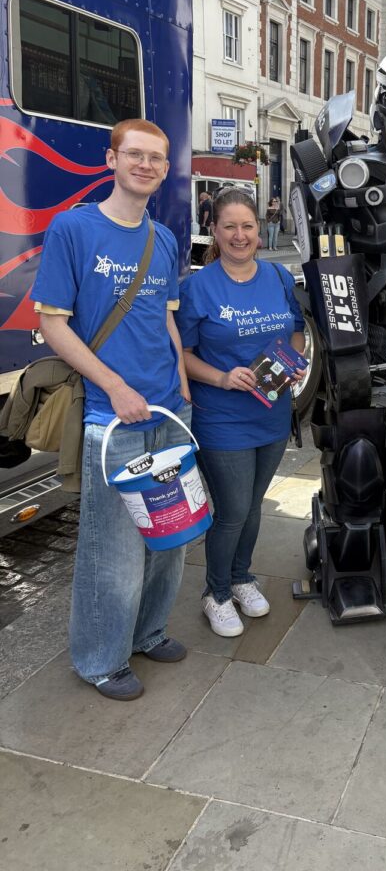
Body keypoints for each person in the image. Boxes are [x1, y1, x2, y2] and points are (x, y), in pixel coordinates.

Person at [31, 118, 192, 701]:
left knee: (167, 540)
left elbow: (165, 318)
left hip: (169, 414)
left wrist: (181, 384)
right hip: (110, 416)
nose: (146, 165)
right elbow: (53, 325)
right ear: (111, 159)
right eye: (135, 155)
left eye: (157, 157)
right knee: (113, 551)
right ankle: (100, 659)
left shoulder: (165, 238)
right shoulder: (72, 229)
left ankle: (148, 632)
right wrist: (117, 387)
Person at [177, 188, 305, 637]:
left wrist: (294, 365)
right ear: (214, 229)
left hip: (271, 412)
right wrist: (222, 377)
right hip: (221, 416)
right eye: (229, 226)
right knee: (231, 510)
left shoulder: (278, 277)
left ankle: (241, 577)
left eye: (247, 226)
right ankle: (215, 592)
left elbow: (297, 333)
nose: (239, 235)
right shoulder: (195, 287)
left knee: (252, 508)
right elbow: (183, 355)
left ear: (259, 229)